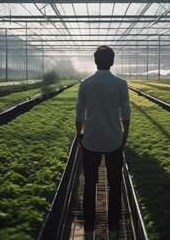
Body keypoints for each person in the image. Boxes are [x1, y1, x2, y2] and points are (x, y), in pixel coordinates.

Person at [75, 45, 131, 240]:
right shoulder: (121, 84)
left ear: (95, 61)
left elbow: (79, 112)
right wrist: (125, 135)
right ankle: (114, 232)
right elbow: (126, 112)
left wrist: (79, 134)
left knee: (90, 186)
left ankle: (89, 232)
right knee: (115, 188)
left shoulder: (85, 83)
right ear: (112, 62)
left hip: (90, 141)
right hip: (114, 141)